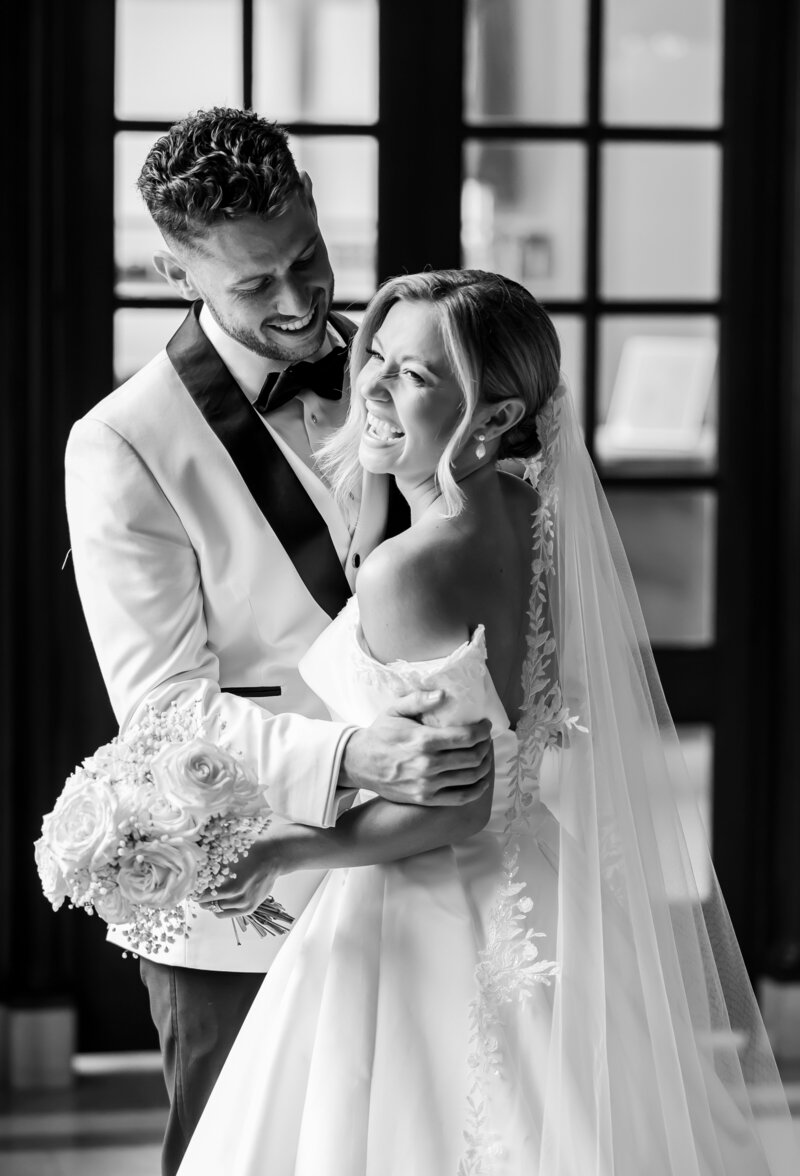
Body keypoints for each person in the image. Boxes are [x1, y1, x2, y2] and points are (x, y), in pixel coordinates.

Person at [177, 270, 798, 1176]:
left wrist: (285, 849)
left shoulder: (408, 570)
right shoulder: (529, 511)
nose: (373, 387)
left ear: (499, 414)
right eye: (377, 358)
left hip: (430, 909)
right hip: (540, 880)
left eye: (415, 376)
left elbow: (456, 807)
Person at [64, 111, 493, 1176]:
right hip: (245, 892)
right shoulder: (122, 443)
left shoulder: (412, 370)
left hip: (436, 863)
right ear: (175, 274)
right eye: (255, 284)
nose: (300, 301)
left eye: (307, 257)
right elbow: (162, 710)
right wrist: (355, 757)